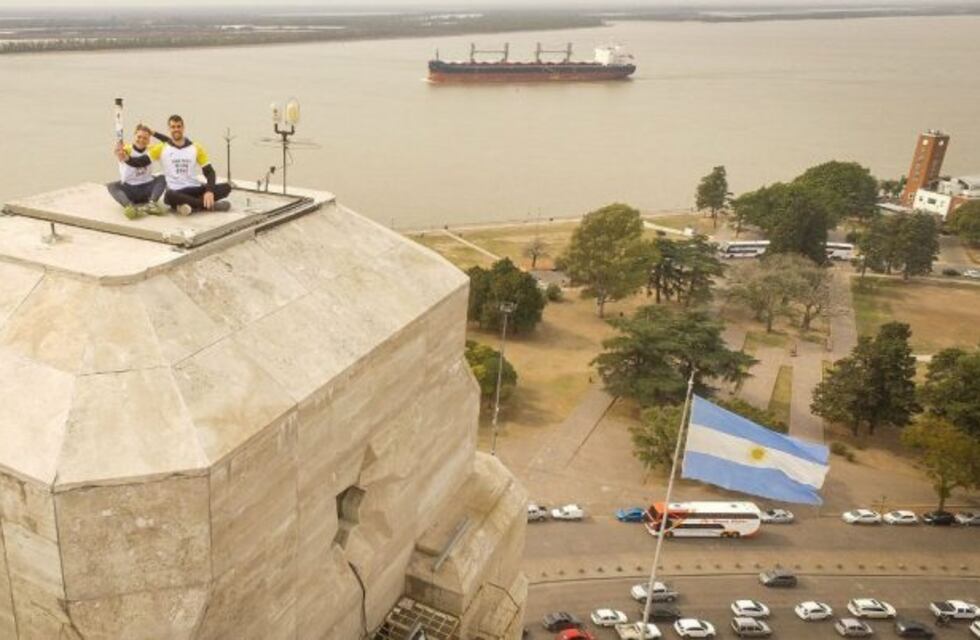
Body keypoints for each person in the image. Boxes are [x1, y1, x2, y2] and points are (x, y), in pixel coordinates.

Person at [148, 114, 231, 216]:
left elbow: (209, 172)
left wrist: (209, 191)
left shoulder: (195, 147)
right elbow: (141, 159)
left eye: (179, 126)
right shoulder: (161, 148)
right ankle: (208, 205)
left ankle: (188, 206)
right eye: (173, 127)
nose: (176, 129)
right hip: (176, 191)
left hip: (194, 187)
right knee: (169, 195)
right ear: (169, 129)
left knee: (226, 187)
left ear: (183, 128)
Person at [107, 124, 166, 220]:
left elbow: (170, 142)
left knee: (163, 178)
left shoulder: (152, 150)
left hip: (148, 189)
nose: (141, 140)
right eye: (139, 137)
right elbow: (119, 152)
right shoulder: (126, 149)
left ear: (149, 140)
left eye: (145, 138)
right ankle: (129, 207)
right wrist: (118, 151)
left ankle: (151, 204)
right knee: (111, 186)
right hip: (130, 190)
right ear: (134, 136)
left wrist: (154, 132)